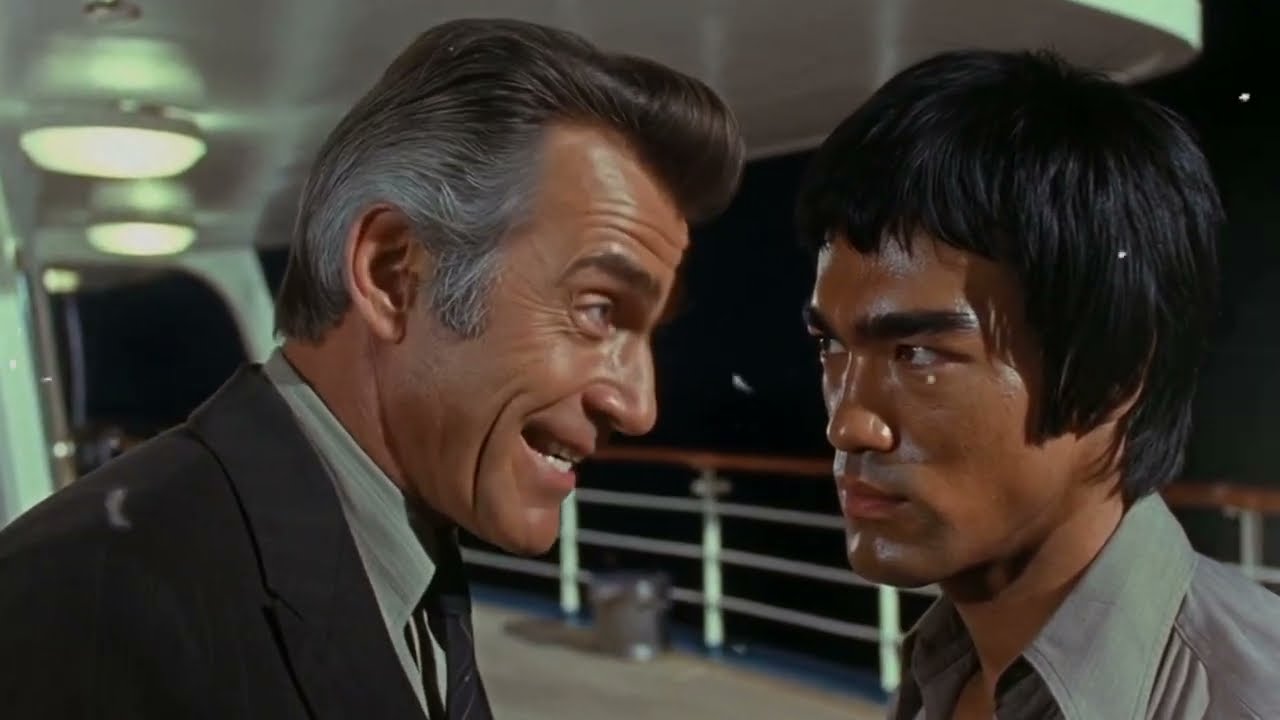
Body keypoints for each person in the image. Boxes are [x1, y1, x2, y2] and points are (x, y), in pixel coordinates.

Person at [0, 18, 743, 719]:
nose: (639, 405)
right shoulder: (87, 604)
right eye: (599, 309)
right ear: (394, 275)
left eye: (647, 332)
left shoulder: (407, 539)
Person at [796, 49, 1280, 719]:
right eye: (831, 345)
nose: (847, 423)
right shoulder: (943, 674)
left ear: (1111, 374)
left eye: (917, 353)